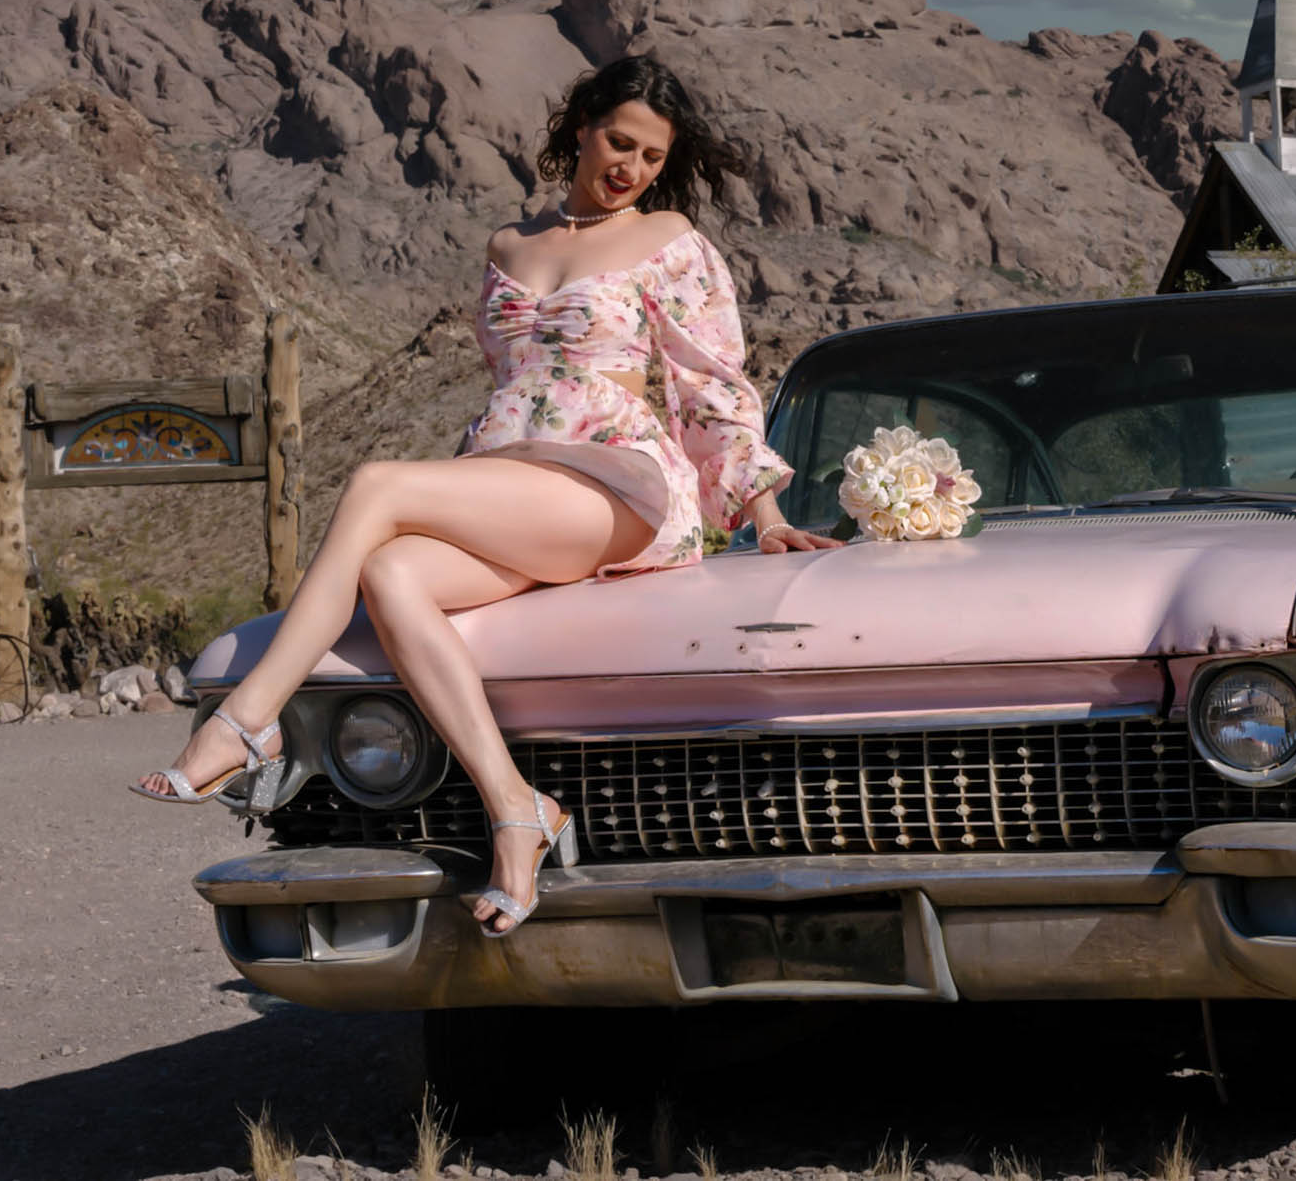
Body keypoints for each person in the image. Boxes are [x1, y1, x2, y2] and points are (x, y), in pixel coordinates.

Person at [131, 54, 839, 934]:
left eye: (652, 157)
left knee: (377, 484)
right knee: (390, 574)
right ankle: (517, 809)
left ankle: (248, 721)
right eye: (620, 143)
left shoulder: (669, 240)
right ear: (580, 126)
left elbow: (711, 385)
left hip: (613, 483)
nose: (632, 167)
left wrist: (762, 513)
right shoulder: (508, 245)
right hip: (511, 479)